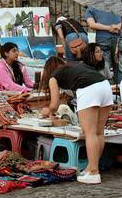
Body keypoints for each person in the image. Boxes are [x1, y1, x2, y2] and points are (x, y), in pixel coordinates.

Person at [39, 48, 113, 184]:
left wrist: (47, 111)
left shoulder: (53, 77)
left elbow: (54, 104)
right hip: (105, 86)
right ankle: (92, 167)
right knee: (98, 132)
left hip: (89, 89)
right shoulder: (75, 66)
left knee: (90, 133)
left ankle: (94, 172)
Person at [84, 6, 122, 82]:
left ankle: (108, 89)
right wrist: (118, 26)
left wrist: (109, 28)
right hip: (118, 38)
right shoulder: (118, 5)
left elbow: (92, 24)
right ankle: (120, 90)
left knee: (105, 66)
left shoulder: (91, 8)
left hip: (103, 38)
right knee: (119, 67)